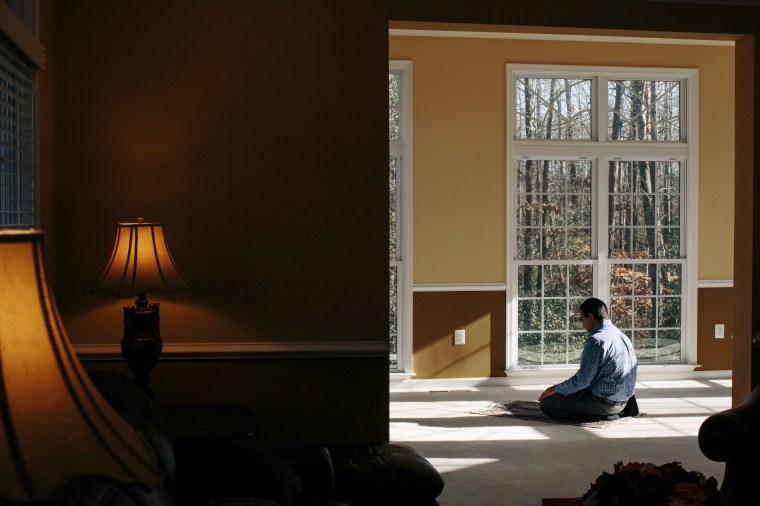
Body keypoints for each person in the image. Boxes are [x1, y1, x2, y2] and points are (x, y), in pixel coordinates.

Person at [539, 297, 639, 420]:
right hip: (625, 400)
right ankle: (620, 409)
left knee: (547, 404)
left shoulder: (596, 340)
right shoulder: (621, 335)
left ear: (591, 317)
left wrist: (553, 389)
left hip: (605, 402)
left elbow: (582, 381)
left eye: (582, 320)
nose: (583, 325)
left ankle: (604, 416)